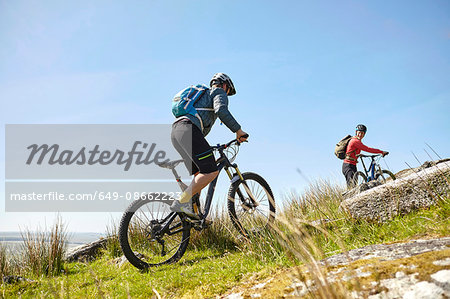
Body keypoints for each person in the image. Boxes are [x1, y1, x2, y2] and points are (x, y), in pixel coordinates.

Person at [170, 73, 248, 218]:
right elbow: (221, 110)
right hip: (188, 129)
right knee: (211, 171)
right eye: (229, 91)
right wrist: (238, 130)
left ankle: (195, 215)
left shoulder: (202, 98)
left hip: (176, 131)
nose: (227, 94)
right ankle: (180, 202)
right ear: (225, 85)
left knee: (199, 174)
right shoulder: (218, 91)